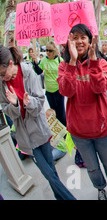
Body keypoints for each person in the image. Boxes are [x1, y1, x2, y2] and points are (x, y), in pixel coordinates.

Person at [57, 24, 107, 200]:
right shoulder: (64, 66)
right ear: (69, 41)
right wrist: (72, 62)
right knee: (92, 167)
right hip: (79, 132)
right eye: (75, 37)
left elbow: (100, 87)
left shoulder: (101, 63)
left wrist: (94, 61)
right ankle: (100, 188)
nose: (79, 41)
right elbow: (66, 91)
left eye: (83, 37)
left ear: (90, 41)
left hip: (102, 129)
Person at [0, 45, 76, 200]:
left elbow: (40, 101)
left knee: (52, 174)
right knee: (48, 174)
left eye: (2, 73)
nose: (2, 78)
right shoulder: (2, 84)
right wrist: (15, 105)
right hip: (26, 139)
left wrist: (28, 103)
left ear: (10, 64)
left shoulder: (28, 72)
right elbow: (6, 109)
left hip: (40, 131)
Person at [31, 41, 66, 126]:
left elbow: (65, 73)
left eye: (50, 50)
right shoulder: (43, 60)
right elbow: (38, 72)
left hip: (58, 91)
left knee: (61, 113)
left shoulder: (59, 60)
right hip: (49, 92)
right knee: (53, 114)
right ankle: (57, 135)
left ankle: (66, 133)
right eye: (46, 50)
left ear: (54, 51)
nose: (48, 52)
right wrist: (35, 62)